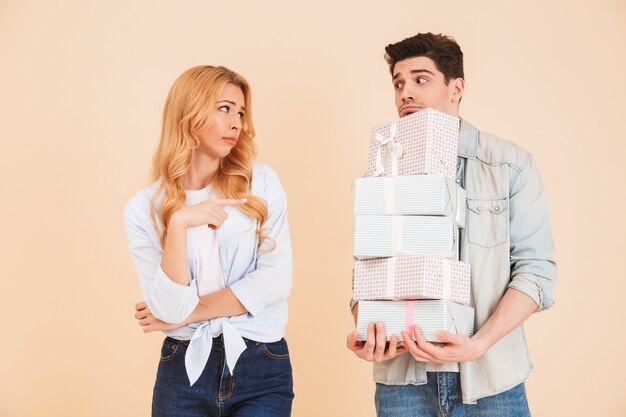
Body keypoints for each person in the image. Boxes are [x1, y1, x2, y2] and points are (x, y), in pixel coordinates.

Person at [346, 33, 557, 416]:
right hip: (403, 383)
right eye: (398, 83)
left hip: (491, 379)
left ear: (456, 87)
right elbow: (370, 267)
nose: (405, 92)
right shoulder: (382, 169)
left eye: (420, 79)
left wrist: (479, 343)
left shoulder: (509, 164)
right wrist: (369, 327)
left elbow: (536, 272)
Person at [123, 65, 294, 417]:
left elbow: (275, 281)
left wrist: (182, 314)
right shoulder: (144, 208)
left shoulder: (259, 184)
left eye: (241, 112)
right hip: (183, 369)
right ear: (189, 112)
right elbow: (170, 311)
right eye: (224, 108)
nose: (237, 123)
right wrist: (180, 225)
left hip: (260, 360)